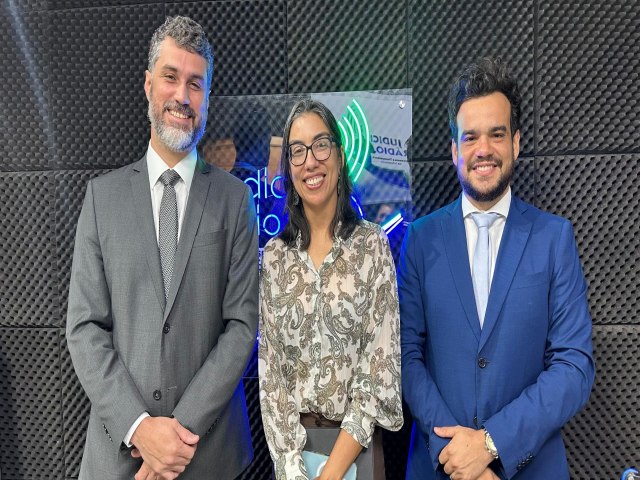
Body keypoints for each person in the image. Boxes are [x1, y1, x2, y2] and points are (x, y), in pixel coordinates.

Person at [66, 16, 258, 480]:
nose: (182, 96)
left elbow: (242, 326)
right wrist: (140, 429)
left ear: (207, 97)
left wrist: (177, 434)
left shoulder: (235, 200)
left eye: (196, 84)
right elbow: (85, 327)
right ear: (149, 84)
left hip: (209, 456)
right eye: (171, 77)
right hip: (119, 458)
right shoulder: (102, 199)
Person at [398, 57, 595, 480]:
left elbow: (574, 366)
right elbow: (405, 357)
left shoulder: (554, 238)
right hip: (440, 467)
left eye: (497, 134)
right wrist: (456, 454)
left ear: (516, 143)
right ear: (454, 150)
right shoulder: (420, 240)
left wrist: (490, 444)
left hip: (532, 468)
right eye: (470, 137)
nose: (483, 149)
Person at [258, 99, 404, 480]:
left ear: (339, 155)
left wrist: (330, 473)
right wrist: (293, 470)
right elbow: (272, 378)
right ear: (289, 168)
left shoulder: (372, 245)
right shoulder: (275, 257)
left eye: (321, 145)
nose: (310, 161)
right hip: (292, 460)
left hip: (356, 451)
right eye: (298, 151)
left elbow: (380, 371)